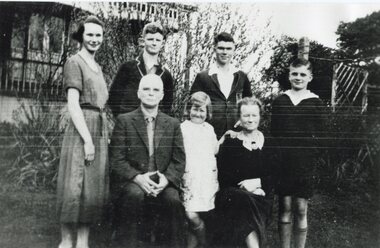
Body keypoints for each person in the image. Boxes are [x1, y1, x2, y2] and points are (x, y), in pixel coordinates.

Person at [109, 74, 186, 248]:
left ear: (162, 95)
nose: (151, 93)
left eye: (156, 90)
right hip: (133, 182)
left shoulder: (173, 124)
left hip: (162, 183)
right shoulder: (125, 120)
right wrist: (137, 178)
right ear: (138, 93)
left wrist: (166, 180)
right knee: (134, 195)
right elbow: (116, 159)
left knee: (173, 200)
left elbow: (179, 160)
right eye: (146, 89)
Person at [56, 16, 109, 248]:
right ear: (81, 36)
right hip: (82, 130)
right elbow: (73, 104)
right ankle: (67, 241)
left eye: (98, 35)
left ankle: (83, 242)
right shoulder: (74, 62)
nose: (94, 39)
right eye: (90, 34)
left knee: (91, 185)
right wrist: (87, 139)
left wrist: (100, 136)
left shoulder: (97, 67)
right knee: (74, 184)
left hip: (98, 128)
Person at [271, 58, 326, 248]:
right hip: (283, 163)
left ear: (310, 77)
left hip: (304, 164)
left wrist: (311, 161)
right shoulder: (280, 101)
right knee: (284, 207)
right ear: (289, 75)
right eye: (295, 73)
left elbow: (320, 136)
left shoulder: (316, 103)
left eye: (303, 74)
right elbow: (274, 133)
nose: (298, 77)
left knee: (301, 208)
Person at [214, 96, 277, 248]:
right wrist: (247, 188)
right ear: (239, 118)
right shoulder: (231, 143)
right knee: (241, 200)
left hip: (261, 197)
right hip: (233, 195)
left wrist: (257, 183)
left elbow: (277, 174)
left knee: (245, 207)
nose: (250, 120)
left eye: (254, 115)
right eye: (246, 115)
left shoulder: (269, 142)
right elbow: (224, 177)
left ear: (260, 117)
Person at [181, 91, 230, 247]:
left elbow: (214, 149)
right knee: (190, 213)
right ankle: (205, 240)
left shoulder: (209, 129)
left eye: (202, 110)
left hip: (206, 178)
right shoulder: (183, 128)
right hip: (190, 177)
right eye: (195, 109)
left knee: (202, 211)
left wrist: (225, 137)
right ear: (188, 110)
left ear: (207, 112)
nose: (197, 113)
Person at [190, 32, 252, 139]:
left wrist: (244, 119)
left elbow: (250, 104)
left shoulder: (241, 76)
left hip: (237, 133)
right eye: (221, 48)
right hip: (210, 133)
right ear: (215, 49)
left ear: (233, 50)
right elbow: (193, 105)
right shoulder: (203, 76)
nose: (224, 52)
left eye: (228, 49)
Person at [108, 22, 174, 117]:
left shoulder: (166, 75)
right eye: (150, 39)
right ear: (142, 42)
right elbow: (113, 98)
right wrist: (123, 120)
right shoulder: (128, 67)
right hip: (129, 124)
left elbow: (167, 106)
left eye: (158, 40)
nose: (154, 43)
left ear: (162, 44)